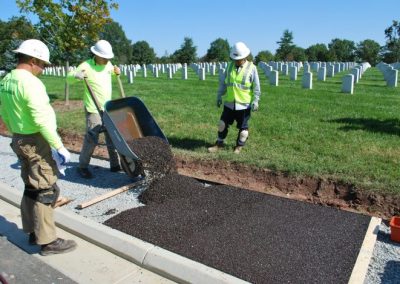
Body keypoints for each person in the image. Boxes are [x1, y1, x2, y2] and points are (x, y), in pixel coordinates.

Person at [0, 39, 77, 255]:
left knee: (31, 186)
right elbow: (41, 118)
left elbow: (4, 112)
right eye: (42, 64)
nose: (43, 69)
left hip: (20, 138)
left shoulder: (6, 80)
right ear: (33, 60)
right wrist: (58, 146)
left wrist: (16, 131)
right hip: (36, 140)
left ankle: (33, 232)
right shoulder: (31, 83)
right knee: (46, 188)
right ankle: (48, 241)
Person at [67, 40, 121, 179]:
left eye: (108, 57)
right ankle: (82, 166)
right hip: (93, 109)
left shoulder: (108, 64)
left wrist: (116, 72)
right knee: (92, 139)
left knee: (112, 136)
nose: (107, 60)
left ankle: (115, 165)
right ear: (96, 55)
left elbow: (111, 74)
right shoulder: (86, 66)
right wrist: (75, 75)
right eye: (105, 57)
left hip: (107, 107)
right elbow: (68, 79)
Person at [208, 41, 261, 154]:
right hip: (229, 103)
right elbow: (224, 83)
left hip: (244, 105)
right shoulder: (229, 66)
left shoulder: (252, 68)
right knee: (222, 124)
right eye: (235, 59)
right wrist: (219, 96)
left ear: (245, 56)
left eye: (239, 59)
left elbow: (256, 86)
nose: (236, 61)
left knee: (243, 131)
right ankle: (219, 143)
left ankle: (239, 146)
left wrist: (256, 100)